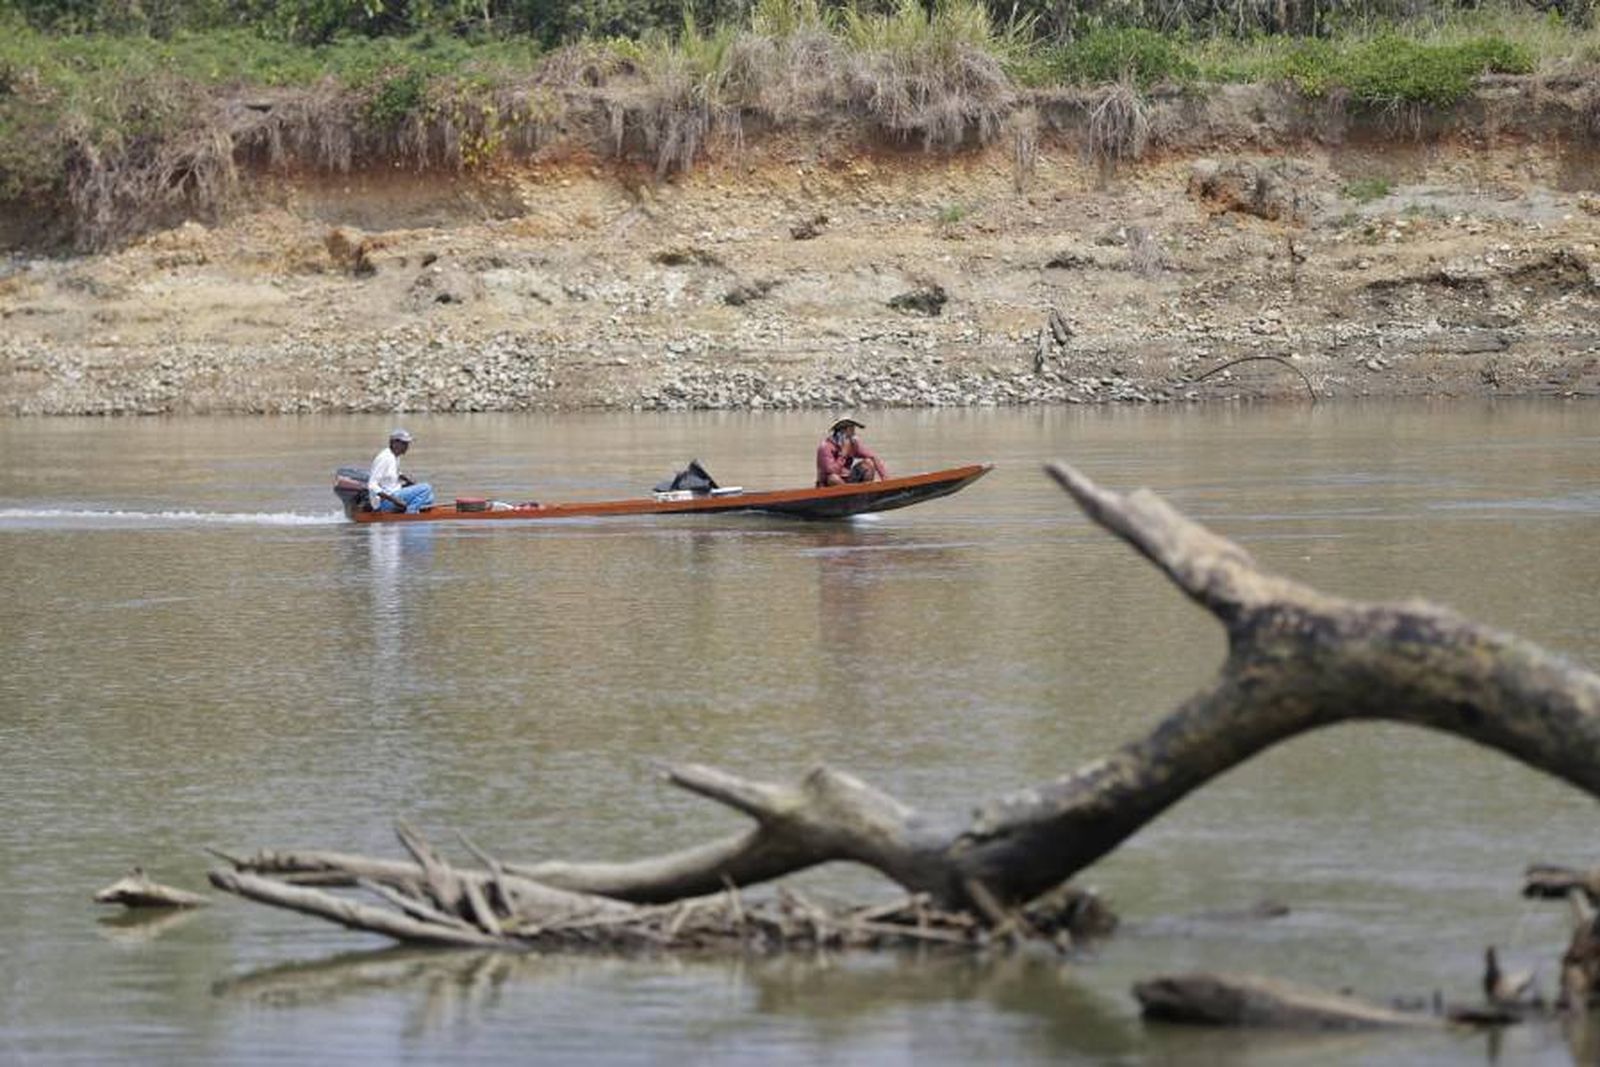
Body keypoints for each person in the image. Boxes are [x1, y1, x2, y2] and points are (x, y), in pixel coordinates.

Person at [368, 429, 435, 513]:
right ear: (394, 443)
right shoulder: (384, 458)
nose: (407, 447)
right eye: (404, 443)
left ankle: (407, 510)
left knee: (430, 497)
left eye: (407, 444)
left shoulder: (395, 456)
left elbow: (395, 472)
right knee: (426, 488)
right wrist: (395, 500)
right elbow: (372, 485)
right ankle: (410, 513)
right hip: (385, 502)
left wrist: (407, 479)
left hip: (395, 493)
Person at [816, 417, 888, 487]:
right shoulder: (825, 447)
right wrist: (843, 454)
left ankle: (865, 492)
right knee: (833, 478)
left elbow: (873, 457)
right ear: (842, 431)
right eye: (851, 430)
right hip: (829, 483)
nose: (853, 433)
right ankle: (850, 494)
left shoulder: (853, 443)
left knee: (868, 463)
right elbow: (833, 471)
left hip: (848, 478)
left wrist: (885, 479)